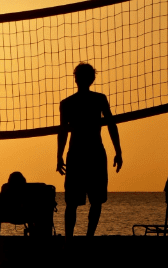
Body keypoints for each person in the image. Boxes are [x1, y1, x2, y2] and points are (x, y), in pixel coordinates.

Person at [57, 62, 122, 236]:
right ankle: (86, 238)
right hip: (91, 154)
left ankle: (71, 241)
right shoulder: (97, 99)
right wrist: (118, 151)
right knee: (92, 201)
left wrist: (59, 156)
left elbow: (63, 132)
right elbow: (111, 125)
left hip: (81, 154)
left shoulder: (69, 103)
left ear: (76, 79)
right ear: (92, 79)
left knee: (78, 202)